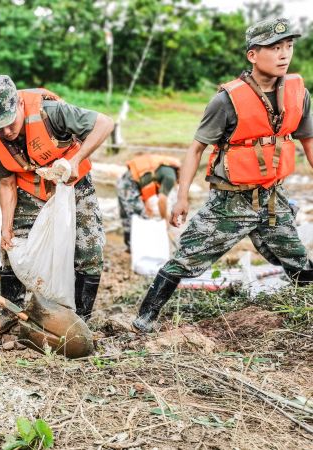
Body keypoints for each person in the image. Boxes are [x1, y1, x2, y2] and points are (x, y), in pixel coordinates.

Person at [132, 17, 313, 333]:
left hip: (273, 200)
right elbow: (195, 150)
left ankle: (304, 314)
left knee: (297, 259)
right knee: (186, 258)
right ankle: (145, 317)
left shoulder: (299, 94)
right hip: (229, 203)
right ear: (253, 55)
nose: (284, 54)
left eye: (289, 46)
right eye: (274, 47)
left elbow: (310, 142)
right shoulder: (227, 100)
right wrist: (182, 197)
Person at [0, 75, 114, 330]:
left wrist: (75, 160)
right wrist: (6, 226)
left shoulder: (50, 112)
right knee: (11, 245)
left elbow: (105, 123)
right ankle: (11, 312)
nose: (6, 132)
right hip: (30, 189)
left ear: (18, 104)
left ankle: (80, 320)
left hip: (73, 183)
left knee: (89, 249)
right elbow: (6, 184)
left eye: (9, 123)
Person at [117, 154, 180, 252]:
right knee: (140, 219)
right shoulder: (170, 177)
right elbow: (162, 201)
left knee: (128, 217)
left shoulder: (166, 169)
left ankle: (130, 247)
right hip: (129, 186)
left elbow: (146, 182)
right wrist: (165, 220)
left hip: (124, 182)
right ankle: (142, 249)